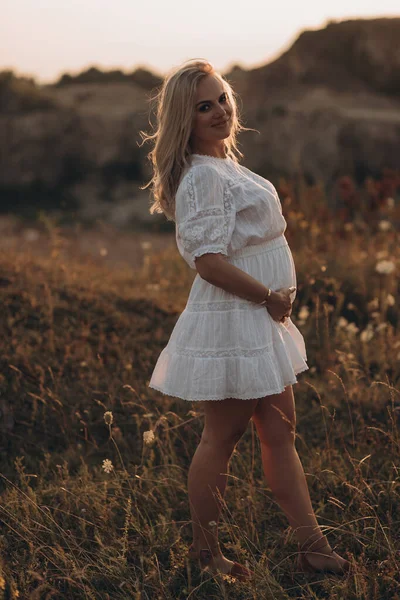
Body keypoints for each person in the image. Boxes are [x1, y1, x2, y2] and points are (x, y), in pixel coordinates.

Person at [141, 59, 351, 581]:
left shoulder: (226, 166)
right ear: (183, 121)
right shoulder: (203, 177)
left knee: (280, 432)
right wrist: (268, 298)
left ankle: (313, 548)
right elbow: (207, 260)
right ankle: (206, 556)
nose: (218, 112)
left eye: (222, 99)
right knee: (224, 435)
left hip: (259, 319)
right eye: (203, 107)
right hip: (239, 316)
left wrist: (271, 303)